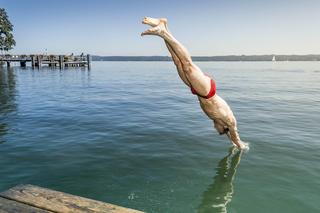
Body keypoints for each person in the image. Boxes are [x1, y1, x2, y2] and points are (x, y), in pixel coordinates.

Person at [141, 17, 247, 149]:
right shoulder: (230, 122)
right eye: (218, 130)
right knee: (187, 65)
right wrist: (239, 145)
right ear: (224, 127)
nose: (215, 128)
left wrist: (231, 141)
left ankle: (163, 26)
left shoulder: (218, 120)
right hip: (207, 91)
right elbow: (235, 136)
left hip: (197, 90)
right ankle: (162, 32)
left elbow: (230, 137)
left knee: (177, 62)